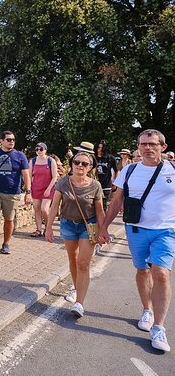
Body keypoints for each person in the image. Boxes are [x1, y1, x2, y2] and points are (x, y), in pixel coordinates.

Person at [99, 129, 175, 353]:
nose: (147, 148)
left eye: (152, 144)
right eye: (143, 144)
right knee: (142, 271)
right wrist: (104, 228)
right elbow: (115, 202)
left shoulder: (173, 170)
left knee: (161, 273)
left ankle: (159, 328)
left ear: (163, 146)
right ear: (138, 147)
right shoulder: (129, 170)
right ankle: (147, 310)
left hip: (166, 231)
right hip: (136, 229)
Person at [45, 151, 105, 318]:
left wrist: (104, 230)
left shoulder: (95, 186)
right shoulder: (63, 183)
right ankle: (76, 286)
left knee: (83, 263)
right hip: (68, 225)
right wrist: (48, 228)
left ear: (90, 167)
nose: (80, 165)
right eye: (77, 162)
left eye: (84, 164)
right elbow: (54, 205)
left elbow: (100, 211)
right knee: (73, 260)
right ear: (71, 164)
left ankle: (79, 302)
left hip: (88, 226)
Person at [0, 131, 32, 254]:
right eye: (9, 139)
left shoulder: (20, 156)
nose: (12, 142)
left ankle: (6, 243)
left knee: (9, 219)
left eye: (13, 140)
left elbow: (26, 175)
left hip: (13, 192)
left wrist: (28, 192)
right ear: (1, 141)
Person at [28, 142, 57, 237]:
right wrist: (28, 189)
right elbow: (29, 175)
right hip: (36, 188)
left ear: (45, 150)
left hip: (48, 188)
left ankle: (48, 228)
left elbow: (54, 177)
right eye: (37, 149)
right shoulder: (33, 161)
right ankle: (38, 229)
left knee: (44, 209)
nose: (39, 151)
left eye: (41, 149)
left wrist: (49, 189)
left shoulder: (51, 161)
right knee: (36, 208)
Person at [94, 140, 118, 212]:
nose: (99, 150)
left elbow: (116, 170)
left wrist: (115, 182)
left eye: (101, 148)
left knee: (103, 206)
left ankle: (102, 222)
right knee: (93, 205)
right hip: (94, 184)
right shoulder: (93, 157)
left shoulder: (110, 158)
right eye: (98, 148)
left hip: (106, 185)